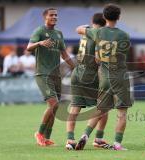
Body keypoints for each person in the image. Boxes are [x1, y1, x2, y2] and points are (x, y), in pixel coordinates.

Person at [77, 3, 133, 150]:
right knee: (122, 111)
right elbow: (123, 56)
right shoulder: (124, 35)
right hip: (119, 76)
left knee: (100, 109)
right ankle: (117, 144)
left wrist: (88, 30)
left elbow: (78, 30)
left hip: (104, 77)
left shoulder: (97, 32)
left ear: (104, 17)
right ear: (118, 17)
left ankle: (85, 135)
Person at [27, 8, 75, 147]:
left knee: (55, 107)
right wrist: (39, 43)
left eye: (56, 15)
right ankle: (40, 133)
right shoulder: (39, 31)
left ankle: (47, 138)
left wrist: (75, 68)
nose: (54, 17)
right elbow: (29, 47)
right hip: (43, 74)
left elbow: (64, 54)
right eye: (51, 15)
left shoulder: (59, 34)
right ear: (45, 17)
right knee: (54, 104)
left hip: (56, 75)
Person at [65, 13, 111, 150]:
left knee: (75, 107)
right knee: (104, 105)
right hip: (91, 75)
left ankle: (70, 139)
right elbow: (98, 58)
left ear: (92, 21)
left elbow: (78, 28)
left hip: (77, 72)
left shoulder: (85, 32)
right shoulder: (100, 34)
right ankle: (98, 138)